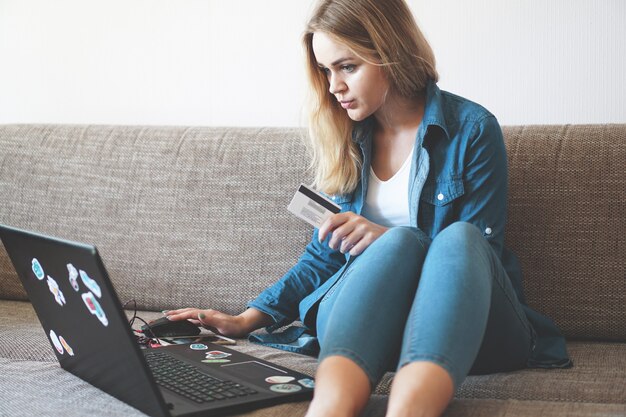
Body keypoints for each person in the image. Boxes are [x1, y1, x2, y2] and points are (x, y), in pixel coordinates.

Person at [165, 0, 572, 416]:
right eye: (326, 71)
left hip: (467, 329)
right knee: (399, 245)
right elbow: (323, 255)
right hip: (370, 326)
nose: (333, 87)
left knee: (446, 238)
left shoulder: (471, 129)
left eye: (347, 67)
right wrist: (246, 319)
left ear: (390, 53)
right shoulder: (345, 138)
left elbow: (476, 259)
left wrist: (383, 237)